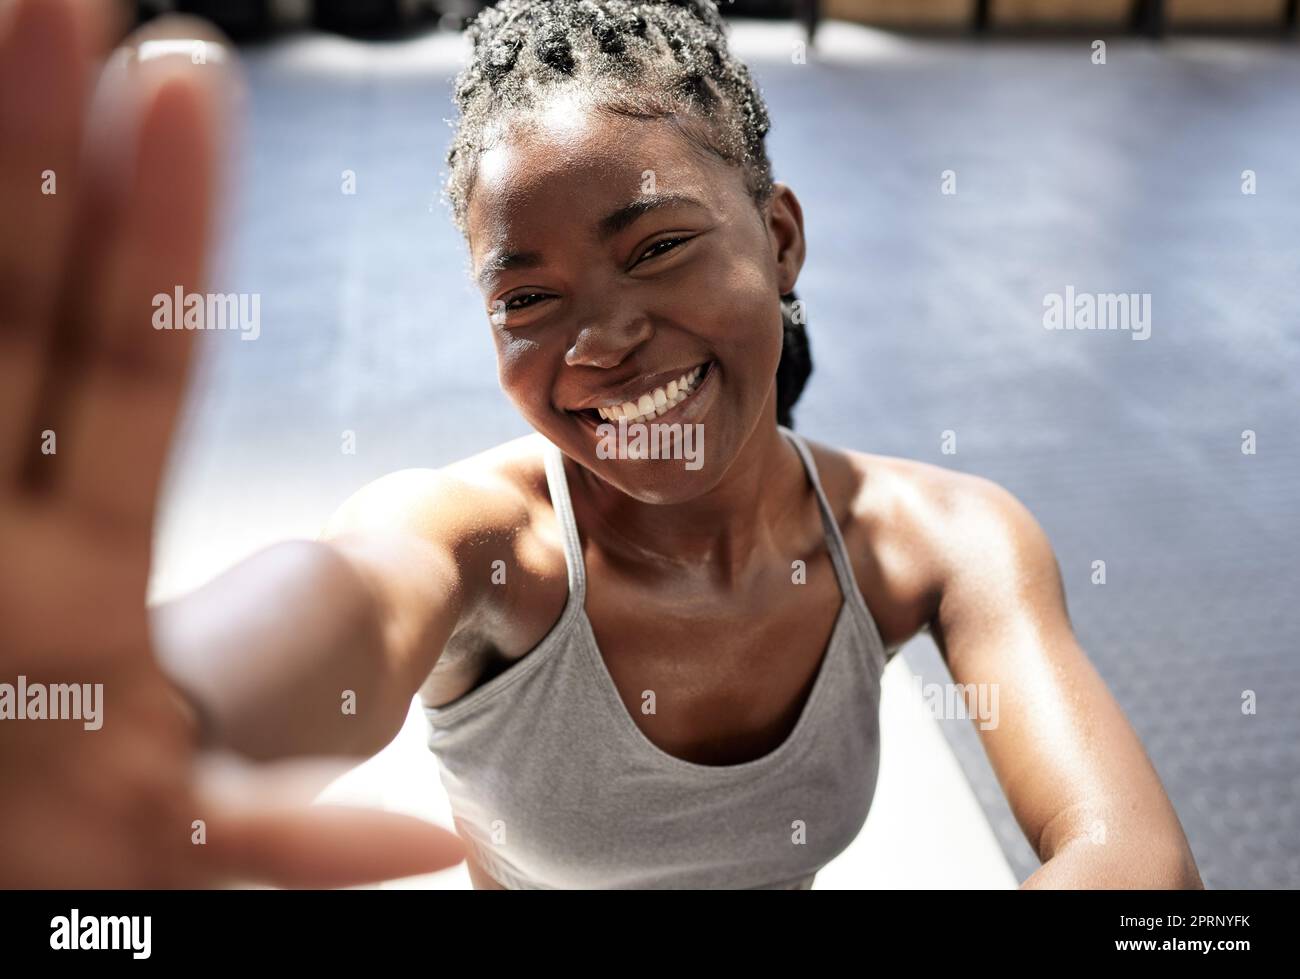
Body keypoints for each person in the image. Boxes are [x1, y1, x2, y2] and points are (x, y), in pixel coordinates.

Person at [0, 0, 1202, 889]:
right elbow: (345, 603)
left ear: (779, 239)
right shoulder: (481, 548)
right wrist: (160, 708)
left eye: (658, 247)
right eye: (527, 299)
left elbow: (1135, 865)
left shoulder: (940, 538)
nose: (606, 340)